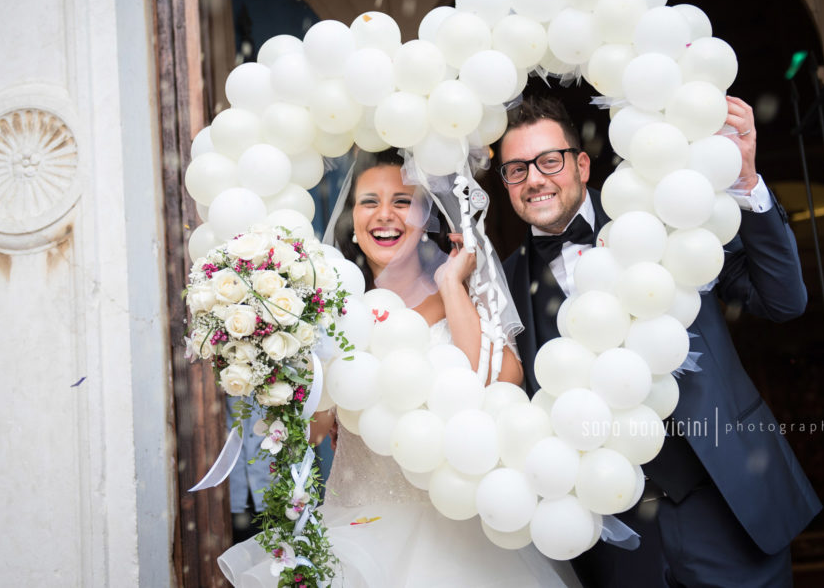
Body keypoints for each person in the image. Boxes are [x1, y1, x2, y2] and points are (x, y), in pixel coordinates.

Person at [497, 95, 820, 588]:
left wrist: (746, 181)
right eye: (515, 170)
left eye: (549, 161)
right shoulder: (504, 285)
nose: (534, 179)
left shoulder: (662, 214)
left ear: (581, 163)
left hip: (725, 497)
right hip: (614, 535)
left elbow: (782, 300)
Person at [220, 148, 580, 587]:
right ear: (352, 222)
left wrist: (451, 286)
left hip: (456, 531)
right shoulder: (330, 315)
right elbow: (315, 431)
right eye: (369, 201)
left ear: (427, 217)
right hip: (357, 526)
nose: (384, 214)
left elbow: (494, 382)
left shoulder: (465, 291)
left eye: (402, 202)